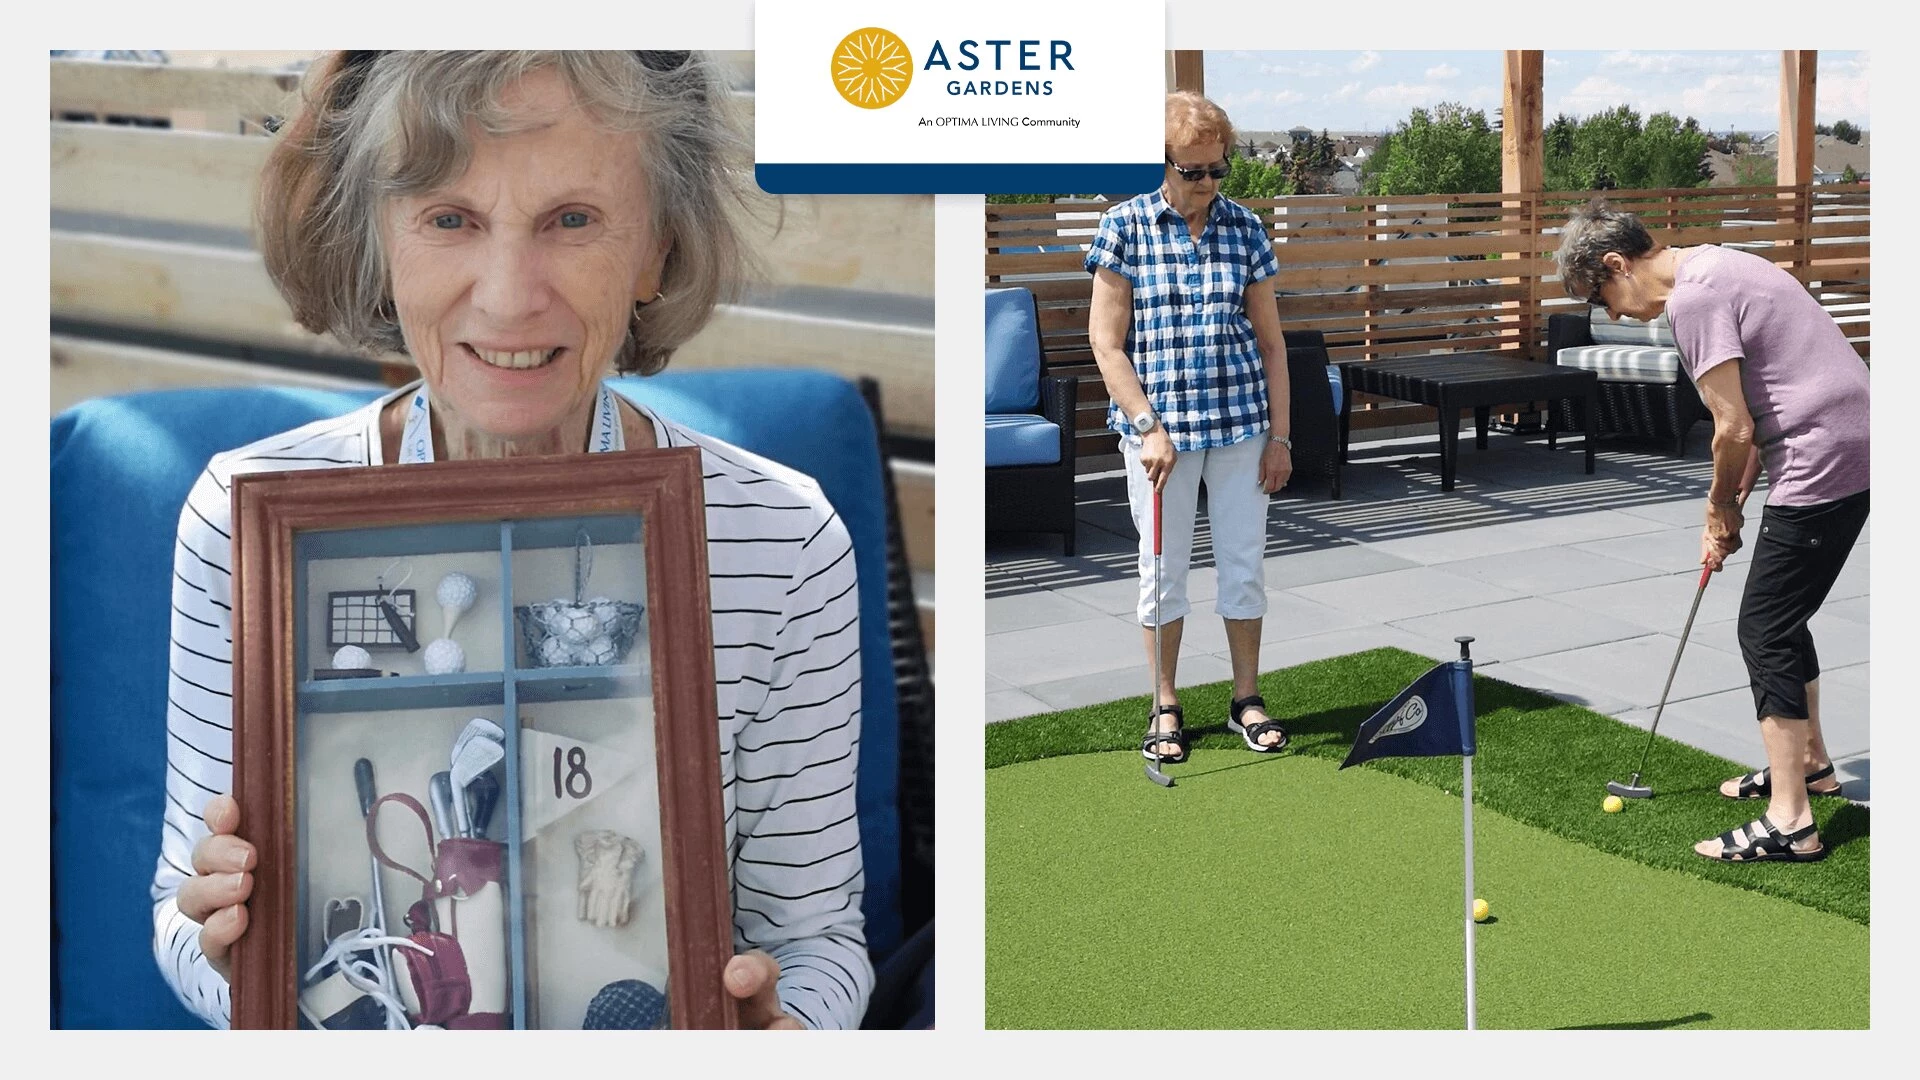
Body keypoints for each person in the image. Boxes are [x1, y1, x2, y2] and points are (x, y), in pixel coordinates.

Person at [153, 50, 870, 1029]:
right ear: (378, 236)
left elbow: (818, 938)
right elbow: (178, 916)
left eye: (572, 220)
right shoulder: (241, 521)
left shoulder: (783, 542)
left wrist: (792, 1032)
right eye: (450, 219)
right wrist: (235, 964)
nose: (508, 295)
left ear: (656, 245)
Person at [1556, 201, 1869, 864]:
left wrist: (1718, 509)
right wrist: (1732, 505)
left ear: (1617, 264)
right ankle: (1810, 768)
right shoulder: (1715, 266)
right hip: (1848, 441)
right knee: (1785, 616)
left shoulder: (1691, 302)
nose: (1609, 313)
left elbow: (1732, 428)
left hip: (1828, 453)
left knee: (1764, 627)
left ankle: (1792, 821)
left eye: (1600, 295)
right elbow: (1757, 408)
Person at [1084, 91, 1292, 766]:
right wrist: (1148, 427)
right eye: (1192, 169)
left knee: (1243, 569)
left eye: (1217, 169)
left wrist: (1281, 437)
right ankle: (1166, 701)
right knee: (1161, 573)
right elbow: (1106, 344)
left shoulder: (1245, 228)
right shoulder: (1125, 227)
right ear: (1162, 162)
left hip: (1240, 431)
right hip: (1159, 445)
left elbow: (1272, 345)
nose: (1206, 183)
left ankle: (1246, 698)